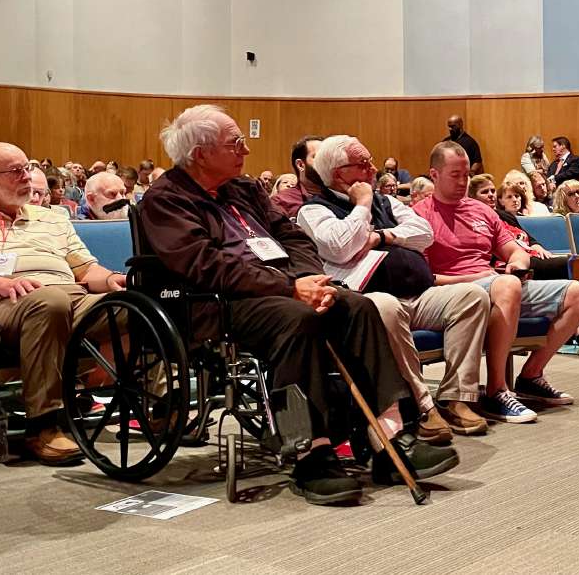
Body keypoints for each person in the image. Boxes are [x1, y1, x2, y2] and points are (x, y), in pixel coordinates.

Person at [140, 106, 457, 504]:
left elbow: (294, 238)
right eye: (235, 143)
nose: (246, 150)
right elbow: (206, 266)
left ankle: (391, 437)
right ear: (200, 153)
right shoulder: (165, 199)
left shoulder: (245, 189)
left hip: (287, 288)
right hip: (219, 302)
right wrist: (291, 288)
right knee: (299, 319)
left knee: (358, 307)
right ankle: (310, 450)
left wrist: (314, 281)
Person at [0, 142, 128, 465]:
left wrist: (111, 281)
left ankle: (160, 408)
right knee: (48, 302)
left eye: (26, 168)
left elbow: (85, 269)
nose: (25, 177)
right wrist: (0, 283)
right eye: (14, 171)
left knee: (137, 304)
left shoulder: (52, 218)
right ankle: (44, 425)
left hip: (66, 296)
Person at [299, 136, 490, 441]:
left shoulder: (385, 201)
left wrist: (382, 237)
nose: (373, 168)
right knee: (384, 306)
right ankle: (423, 407)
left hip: (418, 295)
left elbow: (423, 233)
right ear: (339, 173)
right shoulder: (314, 210)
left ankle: (457, 398)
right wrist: (361, 205)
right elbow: (339, 247)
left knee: (473, 296)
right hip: (367, 300)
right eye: (363, 164)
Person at [416, 142, 579, 423]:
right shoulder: (419, 216)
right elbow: (426, 278)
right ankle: (497, 390)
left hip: (496, 285)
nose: (463, 182)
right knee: (506, 285)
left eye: (466, 175)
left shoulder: (481, 211)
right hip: (453, 292)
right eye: (454, 175)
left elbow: (515, 250)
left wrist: (518, 263)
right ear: (434, 175)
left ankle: (531, 375)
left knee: (578, 293)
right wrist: (485, 277)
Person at [470, 176, 570, 281]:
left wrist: (537, 247)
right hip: (513, 263)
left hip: (531, 255)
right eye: (485, 192)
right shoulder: (477, 221)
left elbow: (528, 237)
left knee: (577, 262)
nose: (491, 195)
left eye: (493, 191)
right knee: (571, 265)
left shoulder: (505, 215)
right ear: (473, 197)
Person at [271, 134, 325, 219]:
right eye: (320, 157)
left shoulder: (342, 196)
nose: (327, 162)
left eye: (328, 157)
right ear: (300, 165)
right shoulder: (281, 201)